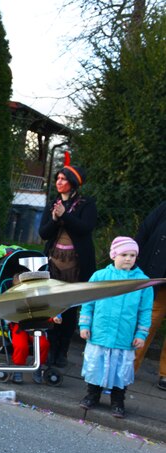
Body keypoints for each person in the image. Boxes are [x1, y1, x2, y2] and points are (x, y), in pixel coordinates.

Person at [78, 237, 153, 418]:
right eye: (124, 254)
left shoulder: (142, 282)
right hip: (100, 332)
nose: (128, 258)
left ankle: (118, 400)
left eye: (132, 255)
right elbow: (88, 302)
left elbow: (145, 310)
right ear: (114, 255)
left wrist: (141, 334)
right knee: (96, 365)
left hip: (124, 335)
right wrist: (84, 324)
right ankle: (92, 395)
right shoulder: (100, 277)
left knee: (121, 369)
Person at [39, 160, 96, 367]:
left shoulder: (86, 204)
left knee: (70, 307)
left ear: (73, 182)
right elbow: (43, 234)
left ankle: (62, 350)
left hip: (76, 265)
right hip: (54, 262)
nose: (59, 182)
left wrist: (66, 216)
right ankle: (50, 348)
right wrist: (54, 219)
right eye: (58, 178)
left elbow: (85, 228)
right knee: (52, 306)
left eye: (63, 179)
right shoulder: (52, 204)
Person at [133, 202, 166, 391]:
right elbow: (144, 230)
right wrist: (133, 256)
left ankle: (165, 374)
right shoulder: (163, 208)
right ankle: (130, 366)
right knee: (148, 322)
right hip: (158, 276)